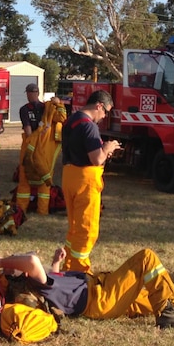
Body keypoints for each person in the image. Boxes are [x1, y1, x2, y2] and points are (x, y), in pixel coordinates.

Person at [0, 247, 174, 329]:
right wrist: (2, 263)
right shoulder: (36, 281)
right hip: (102, 296)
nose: (21, 255)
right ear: (22, 273)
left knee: (162, 296)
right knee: (147, 258)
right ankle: (168, 312)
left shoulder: (44, 281)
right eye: (17, 258)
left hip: (105, 296)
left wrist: (56, 262)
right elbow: (33, 262)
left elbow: (48, 274)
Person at [61, 90, 121, 272]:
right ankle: (80, 270)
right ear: (99, 106)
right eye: (106, 112)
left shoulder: (71, 120)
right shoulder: (89, 126)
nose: (104, 117)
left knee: (74, 227)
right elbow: (96, 159)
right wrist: (108, 147)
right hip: (85, 180)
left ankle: (69, 264)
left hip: (69, 176)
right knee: (86, 229)